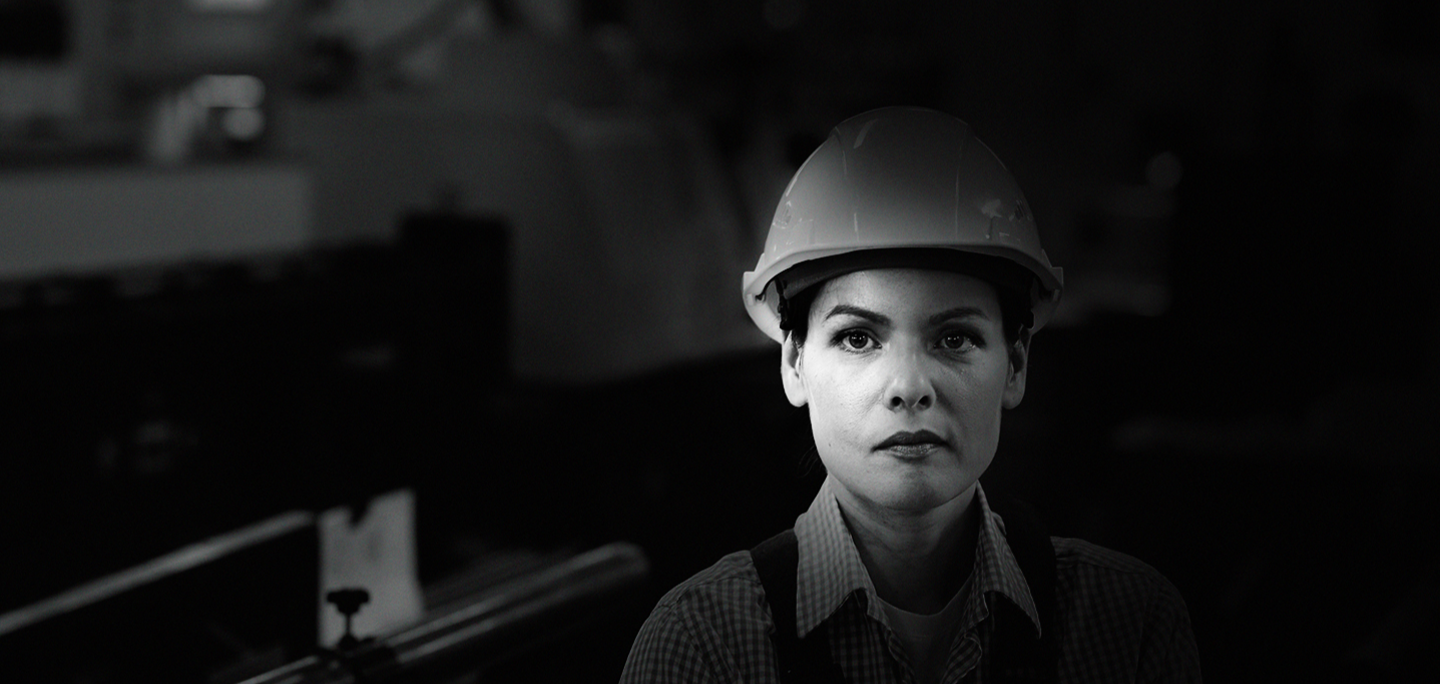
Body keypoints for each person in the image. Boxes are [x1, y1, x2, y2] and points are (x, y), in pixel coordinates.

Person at [620, 107, 1201, 683]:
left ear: (1016, 365)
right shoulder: (703, 648)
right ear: (794, 363)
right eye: (857, 338)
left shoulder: (1128, 626)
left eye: (954, 338)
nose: (908, 389)